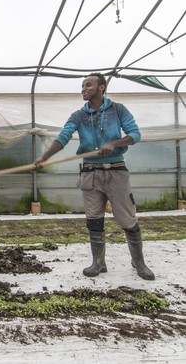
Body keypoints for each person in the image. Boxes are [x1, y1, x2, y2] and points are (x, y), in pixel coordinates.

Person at [33, 73, 155, 281]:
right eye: (82, 86)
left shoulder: (118, 110)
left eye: (88, 85)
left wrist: (114, 144)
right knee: (94, 220)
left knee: (128, 219)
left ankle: (139, 262)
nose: (84, 89)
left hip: (116, 171)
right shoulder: (78, 115)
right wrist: (43, 157)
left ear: (102, 87)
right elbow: (63, 137)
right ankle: (98, 262)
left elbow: (135, 135)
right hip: (90, 173)